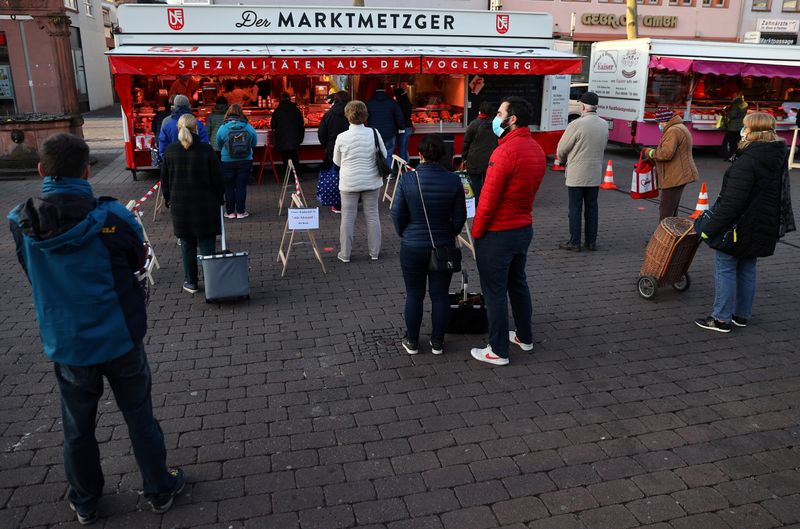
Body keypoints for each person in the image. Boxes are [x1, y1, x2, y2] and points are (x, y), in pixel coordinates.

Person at [7, 134, 184, 526]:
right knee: (140, 416)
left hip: (66, 340)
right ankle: (158, 488)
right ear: (88, 170)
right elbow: (138, 258)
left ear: (41, 171)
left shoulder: (21, 222)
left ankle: (86, 500)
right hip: (119, 335)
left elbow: (30, 273)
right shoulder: (113, 217)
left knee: (77, 426)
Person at [470, 97, 545, 366]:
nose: (495, 117)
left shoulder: (504, 152)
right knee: (517, 283)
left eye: (500, 113)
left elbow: (488, 200)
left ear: (511, 119)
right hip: (523, 227)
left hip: (498, 232)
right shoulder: (535, 149)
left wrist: (477, 231)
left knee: (495, 291)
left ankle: (498, 349)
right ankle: (524, 337)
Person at [694, 112, 785, 333]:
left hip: (738, 226)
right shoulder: (775, 155)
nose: (741, 131)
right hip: (761, 224)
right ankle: (741, 315)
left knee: (725, 267)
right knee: (747, 267)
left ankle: (721, 318)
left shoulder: (748, 160)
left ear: (752, 131)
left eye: (744, 127)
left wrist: (708, 229)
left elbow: (732, 203)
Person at [391, 135, 467, 355]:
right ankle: (437, 342)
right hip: (442, 245)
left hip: (412, 245)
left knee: (414, 294)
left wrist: (404, 233)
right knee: (440, 295)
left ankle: (412, 341)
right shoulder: (454, 180)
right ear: (443, 155)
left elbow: (397, 213)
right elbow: (460, 217)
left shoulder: (407, 180)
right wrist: (450, 232)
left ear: (420, 154)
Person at [161, 114, 225, 293]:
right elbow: (218, 179)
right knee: (207, 244)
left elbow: (164, 181)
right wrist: (221, 198)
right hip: (206, 205)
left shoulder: (170, 151)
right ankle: (211, 280)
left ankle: (191, 282)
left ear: (178, 128)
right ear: (196, 128)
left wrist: (168, 199)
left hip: (181, 206)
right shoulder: (206, 150)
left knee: (187, 244)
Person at [333, 100, 386, 262]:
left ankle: (345, 254)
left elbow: (336, 161)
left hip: (349, 182)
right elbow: (383, 154)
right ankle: (374, 253)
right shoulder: (375, 133)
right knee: (372, 216)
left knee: (348, 218)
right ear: (365, 115)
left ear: (347, 116)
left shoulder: (341, 137)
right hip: (372, 180)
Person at [556, 91, 608, 252]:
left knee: (575, 209)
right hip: (594, 173)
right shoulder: (603, 124)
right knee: (592, 208)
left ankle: (575, 242)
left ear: (584, 106)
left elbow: (562, 149)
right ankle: (591, 242)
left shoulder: (576, 124)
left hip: (577, 174)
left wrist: (563, 159)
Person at [643, 108, 699, 220]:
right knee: (671, 208)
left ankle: (663, 235)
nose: (658, 125)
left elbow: (665, 154)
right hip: (679, 174)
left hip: (675, 176)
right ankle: (671, 235)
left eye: (659, 122)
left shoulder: (673, 130)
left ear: (664, 121)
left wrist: (649, 152)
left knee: (666, 210)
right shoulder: (678, 127)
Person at [216, 104, 258, 219]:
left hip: (227, 160)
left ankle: (230, 212)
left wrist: (225, 151)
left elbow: (218, 144)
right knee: (241, 186)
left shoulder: (223, 127)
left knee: (228, 186)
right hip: (245, 160)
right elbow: (254, 142)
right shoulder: (247, 126)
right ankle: (240, 211)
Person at [318, 90, 351, 213]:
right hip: (350, 148)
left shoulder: (329, 114)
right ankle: (351, 202)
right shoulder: (352, 113)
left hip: (333, 148)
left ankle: (338, 204)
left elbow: (321, 133)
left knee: (336, 175)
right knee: (349, 174)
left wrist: (326, 145)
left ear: (335, 100)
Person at [461, 101, 499, 202]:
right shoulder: (497, 125)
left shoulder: (474, 124)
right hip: (492, 160)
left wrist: (464, 157)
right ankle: (488, 202)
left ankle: (477, 204)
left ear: (480, 111)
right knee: (489, 184)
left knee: (475, 184)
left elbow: (466, 142)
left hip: (474, 160)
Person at [367, 83, 404, 169]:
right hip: (390, 132)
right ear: (385, 89)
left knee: (375, 153)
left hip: (374, 133)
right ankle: (388, 174)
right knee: (389, 153)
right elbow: (400, 117)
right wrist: (401, 127)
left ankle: (377, 172)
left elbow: (365, 116)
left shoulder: (369, 103)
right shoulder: (392, 102)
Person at [271, 92, 306, 182]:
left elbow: (273, 125)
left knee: (285, 158)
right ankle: (298, 176)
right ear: (290, 99)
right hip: (295, 138)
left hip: (282, 138)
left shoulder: (277, 111)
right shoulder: (296, 110)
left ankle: (289, 177)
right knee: (295, 157)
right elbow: (301, 123)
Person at [723, 93, 748, 161]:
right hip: (741, 125)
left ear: (736, 96)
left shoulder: (735, 104)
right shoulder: (744, 103)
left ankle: (731, 157)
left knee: (732, 143)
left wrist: (726, 113)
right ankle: (739, 156)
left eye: (733, 96)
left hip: (734, 126)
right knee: (740, 142)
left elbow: (733, 115)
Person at [395, 83, 414, 162]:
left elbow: (399, 117)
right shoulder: (408, 102)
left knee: (402, 148)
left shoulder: (398, 104)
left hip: (403, 127)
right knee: (405, 147)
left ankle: (403, 166)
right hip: (409, 126)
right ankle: (407, 163)